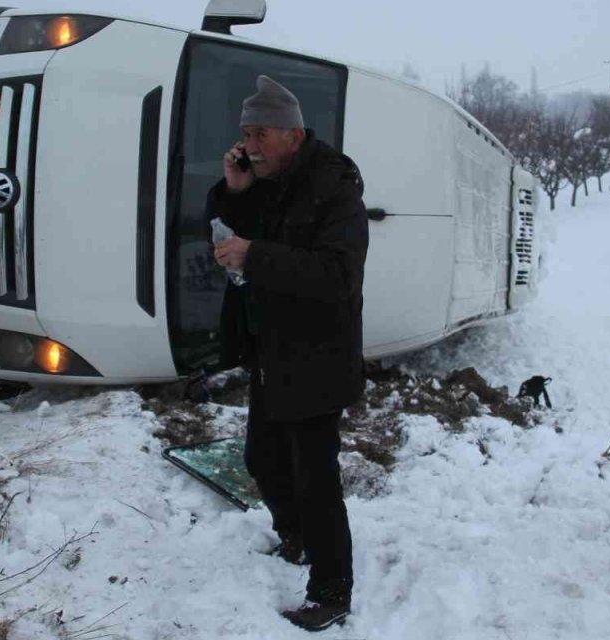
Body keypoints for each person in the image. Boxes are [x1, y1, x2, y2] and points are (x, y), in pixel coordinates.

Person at [208, 75, 369, 632]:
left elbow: (337, 274)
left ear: (293, 134)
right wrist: (236, 190)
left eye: (259, 134)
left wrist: (254, 257)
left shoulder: (334, 187)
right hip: (274, 352)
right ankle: (296, 539)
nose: (249, 145)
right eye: (245, 134)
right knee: (264, 460)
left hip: (317, 357)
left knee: (315, 480)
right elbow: (252, 230)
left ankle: (331, 591)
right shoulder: (273, 181)